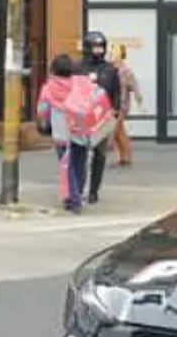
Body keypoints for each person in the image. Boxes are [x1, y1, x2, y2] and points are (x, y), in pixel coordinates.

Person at [35, 54, 91, 212]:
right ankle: (77, 194)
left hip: (61, 133)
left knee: (67, 166)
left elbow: (42, 110)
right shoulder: (79, 84)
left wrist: (44, 124)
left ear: (53, 70)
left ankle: (73, 200)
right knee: (80, 163)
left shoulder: (48, 87)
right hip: (81, 130)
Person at [79, 31, 121, 203]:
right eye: (95, 47)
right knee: (80, 155)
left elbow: (116, 92)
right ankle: (78, 188)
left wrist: (115, 111)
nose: (98, 51)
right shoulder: (78, 68)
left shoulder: (109, 69)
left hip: (102, 118)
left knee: (100, 154)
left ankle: (94, 190)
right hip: (81, 117)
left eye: (100, 47)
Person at [111, 43, 143, 166]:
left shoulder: (126, 71)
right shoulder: (109, 69)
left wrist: (139, 102)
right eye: (112, 51)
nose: (113, 54)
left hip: (121, 104)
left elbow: (134, 87)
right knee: (118, 131)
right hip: (111, 105)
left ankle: (126, 156)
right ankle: (123, 156)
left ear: (121, 54)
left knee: (116, 129)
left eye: (116, 52)